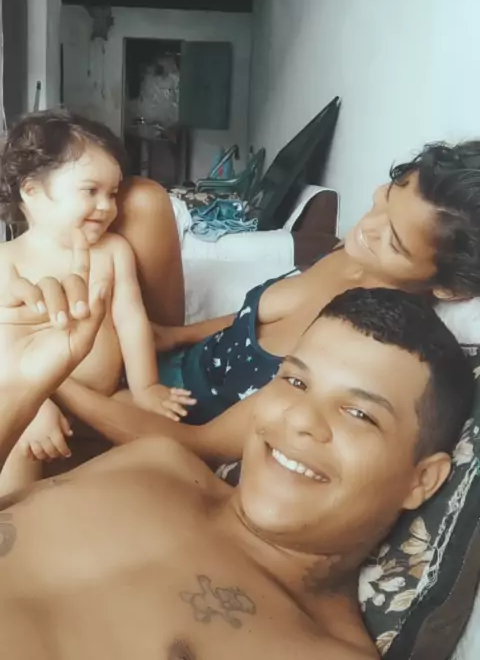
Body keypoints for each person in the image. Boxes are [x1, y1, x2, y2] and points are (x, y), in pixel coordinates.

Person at [0, 251, 473, 660]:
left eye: (359, 413)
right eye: (295, 381)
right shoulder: (158, 462)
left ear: (423, 481)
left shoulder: (317, 651)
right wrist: (20, 388)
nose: (301, 418)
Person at [51, 139, 480, 457]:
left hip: (176, 415)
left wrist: (54, 385)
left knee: (63, 381)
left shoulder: (364, 346)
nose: (368, 226)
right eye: (384, 200)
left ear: (449, 289)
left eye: (394, 242)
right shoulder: (353, 253)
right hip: (184, 357)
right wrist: (172, 335)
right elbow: (253, 320)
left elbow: (198, 444)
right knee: (142, 199)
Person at [0, 110, 194, 495]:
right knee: (19, 444)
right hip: (37, 401)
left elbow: (131, 321)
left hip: (106, 396)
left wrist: (146, 387)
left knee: (167, 442)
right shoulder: (8, 262)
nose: (106, 206)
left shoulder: (113, 251)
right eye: (91, 191)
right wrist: (34, 407)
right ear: (31, 191)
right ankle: (14, 519)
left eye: (113, 193)